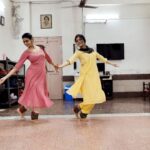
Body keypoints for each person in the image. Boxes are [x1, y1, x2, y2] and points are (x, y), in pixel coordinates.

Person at [58, 34, 118, 119]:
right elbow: (70, 61)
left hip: (94, 77)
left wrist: (112, 64)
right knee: (89, 97)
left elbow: (101, 58)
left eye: (80, 39)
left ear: (84, 40)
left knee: (95, 96)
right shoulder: (78, 52)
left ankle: (80, 108)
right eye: (77, 41)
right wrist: (61, 66)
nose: (79, 41)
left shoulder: (92, 51)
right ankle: (83, 111)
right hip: (85, 77)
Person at [0, 33, 58, 120]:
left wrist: (54, 65)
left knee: (36, 95)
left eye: (27, 41)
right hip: (32, 75)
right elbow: (17, 67)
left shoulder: (41, 48)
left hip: (41, 75)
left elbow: (48, 58)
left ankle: (21, 110)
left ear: (32, 39)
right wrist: (5, 77)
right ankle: (34, 117)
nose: (25, 43)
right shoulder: (26, 53)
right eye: (24, 42)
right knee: (38, 94)